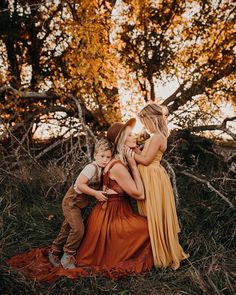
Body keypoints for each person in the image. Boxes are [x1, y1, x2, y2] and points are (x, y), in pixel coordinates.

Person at [8, 119, 153, 281]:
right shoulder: (117, 166)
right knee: (147, 228)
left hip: (110, 211)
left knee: (68, 227)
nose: (134, 136)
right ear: (121, 141)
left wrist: (136, 156)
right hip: (110, 214)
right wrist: (133, 165)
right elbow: (140, 195)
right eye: (130, 135)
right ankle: (65, 255)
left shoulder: (114, 162)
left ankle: (58, 251)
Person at [129, 102, 189, 270]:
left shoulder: (157, 137)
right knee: (149, 214)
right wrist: (136, 150)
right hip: (150, 176)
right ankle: (152, 251)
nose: (143, 125)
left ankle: (161, 255)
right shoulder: (154, 136)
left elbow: (147, 160)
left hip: (153, 178)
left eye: (144, 121)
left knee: (154, 213)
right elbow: (145, 155)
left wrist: (131, 154)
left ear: (152, 119)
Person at [48, 138, 112, 270]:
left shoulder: (103, 170)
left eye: (108, 157)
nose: (105, 159)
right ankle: (68, 255)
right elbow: (80, 184)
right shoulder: (91, 168)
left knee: (67, 228)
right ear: (95, 155)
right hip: (72, 202)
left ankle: (54, 251)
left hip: (80, 205)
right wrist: (95, 193)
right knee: (78, 229)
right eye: (102, 156)